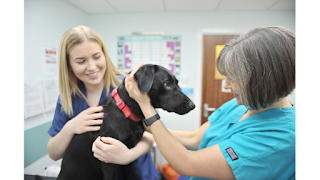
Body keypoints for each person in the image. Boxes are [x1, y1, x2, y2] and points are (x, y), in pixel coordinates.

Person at [124, 26, 295, 180]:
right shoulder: (241, 104)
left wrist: (146, 107)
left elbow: (187, 163)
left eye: (233, 78)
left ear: (264, 81)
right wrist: (142, 125)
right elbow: (194, 138)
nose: (226, 85)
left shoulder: (280, 138)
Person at [47, 25, 161, 180]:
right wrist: (70, 127)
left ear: (104, 55)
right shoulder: (68, 98)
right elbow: (54, 153)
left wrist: (128, 155)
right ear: (69, 65)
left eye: (96, 57)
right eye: (81, 61)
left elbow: (153, 134)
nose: (92, 67)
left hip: (136, 173)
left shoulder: (129, 87)